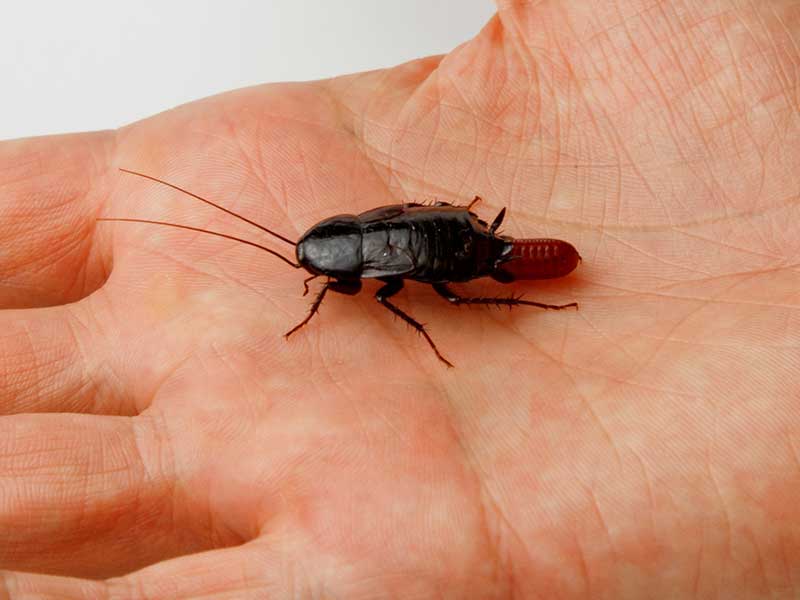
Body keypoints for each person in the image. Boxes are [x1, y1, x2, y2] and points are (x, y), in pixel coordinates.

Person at [2, 1, 798, 597]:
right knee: (449, 289)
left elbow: (383, 264)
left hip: (460, 248)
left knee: (441, 300)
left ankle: (530, 297)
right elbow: (391, 223)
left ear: (335, 262)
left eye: (321, 279)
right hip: (458, 237)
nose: (322, 282)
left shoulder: (359, 278)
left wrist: (333, 301)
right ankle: (522, 290)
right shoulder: (349, 239)